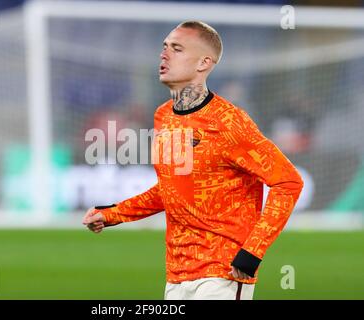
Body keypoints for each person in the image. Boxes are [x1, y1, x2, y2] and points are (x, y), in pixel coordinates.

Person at [82, 21, 304, 300]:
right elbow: (172, 190)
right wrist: (112, 214)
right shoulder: (164, 116)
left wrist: (252, 252)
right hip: (177, 274)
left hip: (223, 272)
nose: (164, 54)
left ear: (203, 63)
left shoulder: (228, 122)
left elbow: (288, 182)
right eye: (164, 47)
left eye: (177, 49)